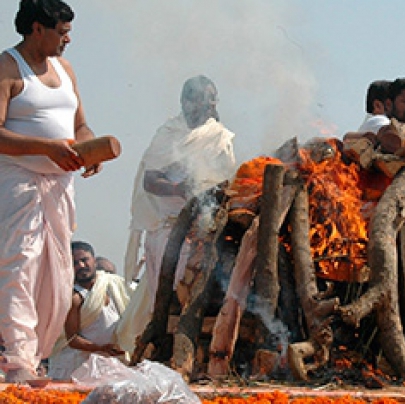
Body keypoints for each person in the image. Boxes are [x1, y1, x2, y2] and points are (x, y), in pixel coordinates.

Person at [0, 0, 103, 382]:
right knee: (19, 268)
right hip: (18, 182)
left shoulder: (66, 69)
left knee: (58, 278)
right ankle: (17, 362)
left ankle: (37, 357)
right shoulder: (7, 67)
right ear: (37, 29)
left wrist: (91, 149)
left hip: (60, 187)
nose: (68, 39)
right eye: (61, 32)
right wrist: (46, 148)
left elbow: (81, 126)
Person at [117, 75, 237, 353]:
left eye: (212, 97)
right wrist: (180, 188)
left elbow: (227, 181)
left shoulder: (219, 136)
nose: (208, 103)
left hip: (206, 230)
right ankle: (160, 352)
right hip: (168, 229)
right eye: (202, 97)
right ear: (186, 101)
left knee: (201, 295)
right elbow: (150, 180)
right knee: (169, 296)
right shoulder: (168, 134)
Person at [47, 241, 130, 380]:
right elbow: (72, 339)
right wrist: (101, 348)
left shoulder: (113, 285)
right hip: (78, 366)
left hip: (109, 364)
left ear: (94, 261)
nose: (81, 266)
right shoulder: (74, 298)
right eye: (75, 263)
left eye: (84, 260)